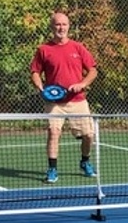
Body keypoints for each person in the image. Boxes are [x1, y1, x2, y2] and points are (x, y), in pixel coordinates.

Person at [29, 12, 98, 183]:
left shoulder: (78, 47)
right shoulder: (43, 49)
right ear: (52, 27)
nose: (61, 28)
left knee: (89, 135)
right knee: (54, 132)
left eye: (64, 24)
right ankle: (52, 169)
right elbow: (35, 72)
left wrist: (82, 84)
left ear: (69, 26)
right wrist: (39, 85)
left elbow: (93, 70)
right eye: (58, 24)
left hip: (78, 100)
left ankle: (85, 161)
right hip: (54, 102)